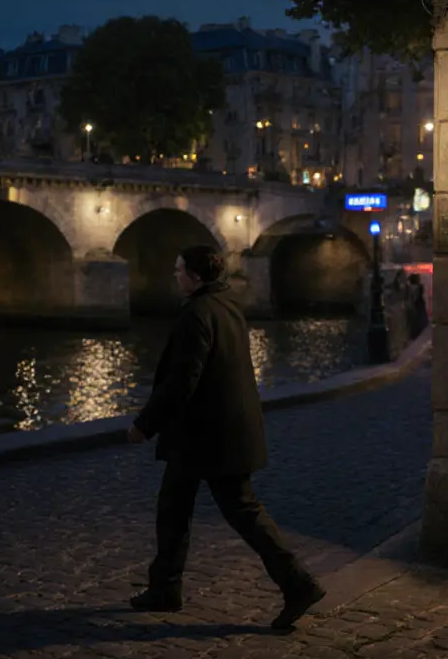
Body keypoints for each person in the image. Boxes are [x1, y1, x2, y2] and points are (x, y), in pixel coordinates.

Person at [127, 245, 324, 630]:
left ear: (196, 276)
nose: (175, 275)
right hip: (220, 430)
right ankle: (165, 588)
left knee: (234, 512)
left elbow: (181, 381)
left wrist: (144, 425)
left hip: (206, 435)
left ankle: (298, 584)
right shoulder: (227, 305)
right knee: (178, 507)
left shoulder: (196, 315)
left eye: (179, 270)